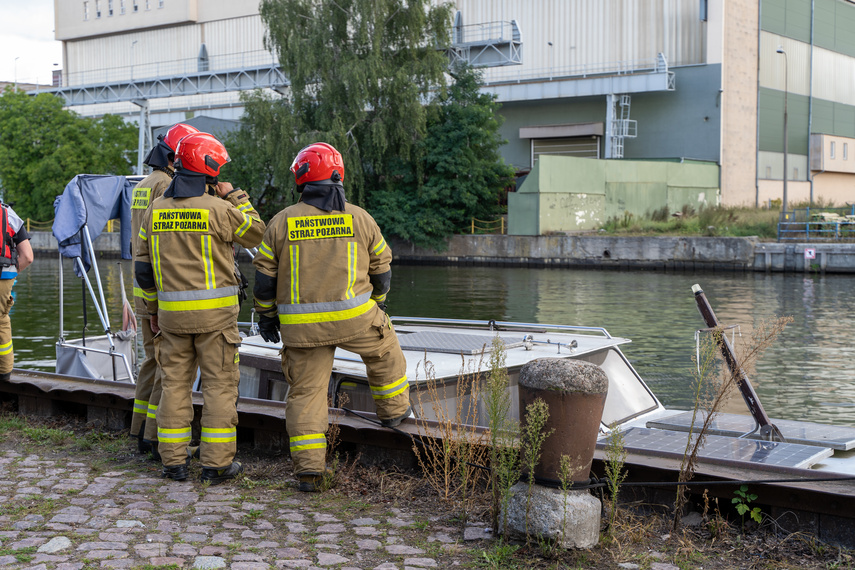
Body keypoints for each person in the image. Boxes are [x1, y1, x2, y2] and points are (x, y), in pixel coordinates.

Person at [252, 142, 410, 492]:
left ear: (302, 179)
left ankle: (309, 471)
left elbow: (264, 280)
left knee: (306, 394)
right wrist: (378, 305)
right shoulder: (359, 217)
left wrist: (266, 317)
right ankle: (394, 413)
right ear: (339, 175)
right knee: (385, 352)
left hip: (302, 331)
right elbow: (382, 268)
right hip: (356, 320)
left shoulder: (281, 222)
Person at [135, 132, 265, 484]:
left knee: (174, 388)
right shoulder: (220, 209)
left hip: (171, 319)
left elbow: (143, 268)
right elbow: (258, 234)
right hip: (216, 322)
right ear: (209, 170)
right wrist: (236, 196)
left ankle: (173, 463)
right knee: (219, 388)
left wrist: (153, 310)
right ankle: (216, 464)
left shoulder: (156, 209)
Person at [130, 122, 200, 457]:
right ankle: (156, 437)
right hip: (162, 291)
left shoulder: (143, 184)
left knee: (151, 362)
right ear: (175, 156)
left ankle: (140, 429)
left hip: (143, 289)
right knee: (168, 366)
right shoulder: (165, 186)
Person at [0, 203, 34, 382]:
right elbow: (28, 256)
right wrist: (11, 276)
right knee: (2, 321)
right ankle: (4, 373)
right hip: (3, 276)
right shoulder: (8, 213)